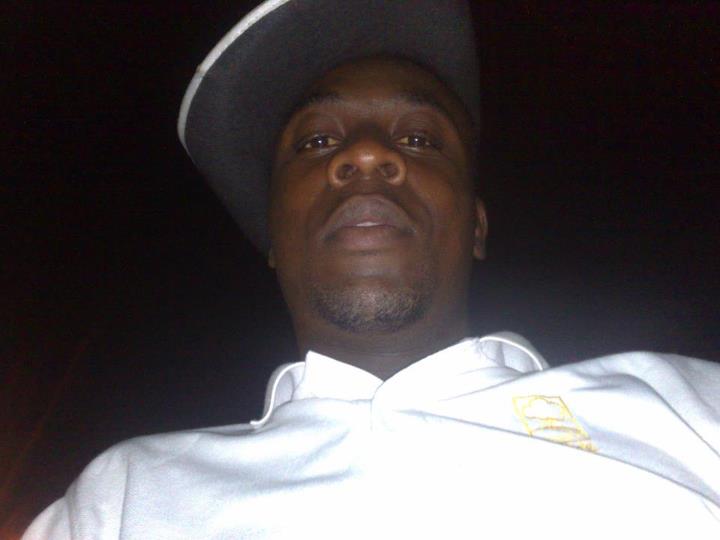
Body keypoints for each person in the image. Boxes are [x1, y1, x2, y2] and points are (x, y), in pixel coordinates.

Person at [24, 1, 720, 538]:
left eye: (418, 138)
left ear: (476, 226)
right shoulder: (123, 496)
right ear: (274, 238)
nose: (363, 155)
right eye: (315, 141)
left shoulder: (682, 406)